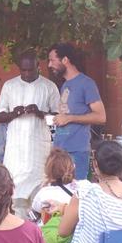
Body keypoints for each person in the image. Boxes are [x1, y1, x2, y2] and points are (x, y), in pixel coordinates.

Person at [0, 52, 61, 218]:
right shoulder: (10, 86)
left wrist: (40, 113)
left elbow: (57, 119)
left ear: (38, 66)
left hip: (38, 150)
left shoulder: (49, 86)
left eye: (30, 70)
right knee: (14, 191)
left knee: (41, 189)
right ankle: (17, 224)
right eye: (23, 70)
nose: (26, 73)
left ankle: (39, 227)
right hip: (15, 150)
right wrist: (13, 113)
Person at [48, 43, 107, 179]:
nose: (50, 65)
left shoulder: (86, 83)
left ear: (65, 60)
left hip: (77, 151)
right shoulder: (65, 85)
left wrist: (69, 118)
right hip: (60, 151)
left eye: (52, 60)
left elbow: (101, 117)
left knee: (76, 190)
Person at [30, 148, 88, 219]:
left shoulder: (44, 193)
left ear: (47, 171)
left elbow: (35, 210)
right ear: (73, 166)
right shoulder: (84, 187)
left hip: (57, 225)